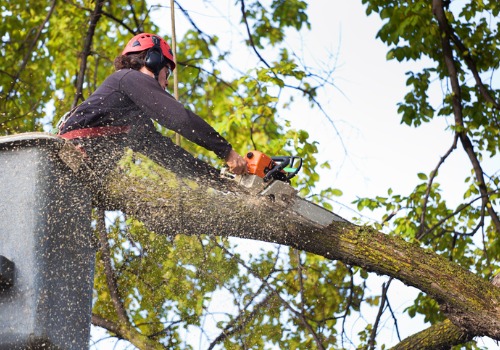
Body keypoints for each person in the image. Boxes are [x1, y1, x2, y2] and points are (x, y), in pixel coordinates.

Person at [58, 33, 247, 191]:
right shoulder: (127, 77)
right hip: (65, 161)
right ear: (153, 60)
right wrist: (227, 152)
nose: (166, 83)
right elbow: (180, 119)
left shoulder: (134, 120)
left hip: (76, 181)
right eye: (168, 72)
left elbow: (172, 157)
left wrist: (223, 183)